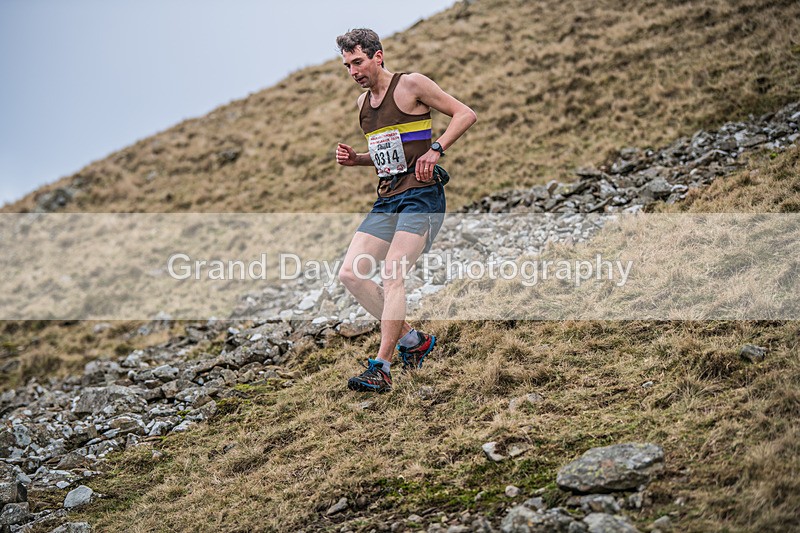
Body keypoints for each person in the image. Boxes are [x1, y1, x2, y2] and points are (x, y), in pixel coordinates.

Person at [334, 28, 477, 393]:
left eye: (359, 62)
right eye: (348, 65)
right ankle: (414, 342)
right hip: (387, 197)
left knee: (392, 273)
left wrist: (437, 149)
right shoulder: (362, 107)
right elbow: (389, 158)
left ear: (378, 56)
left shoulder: (411, 85)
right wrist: (358, 160)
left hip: (422, 195)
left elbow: (465, 114)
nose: (354, 72)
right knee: (351, 274)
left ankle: (381, 366)